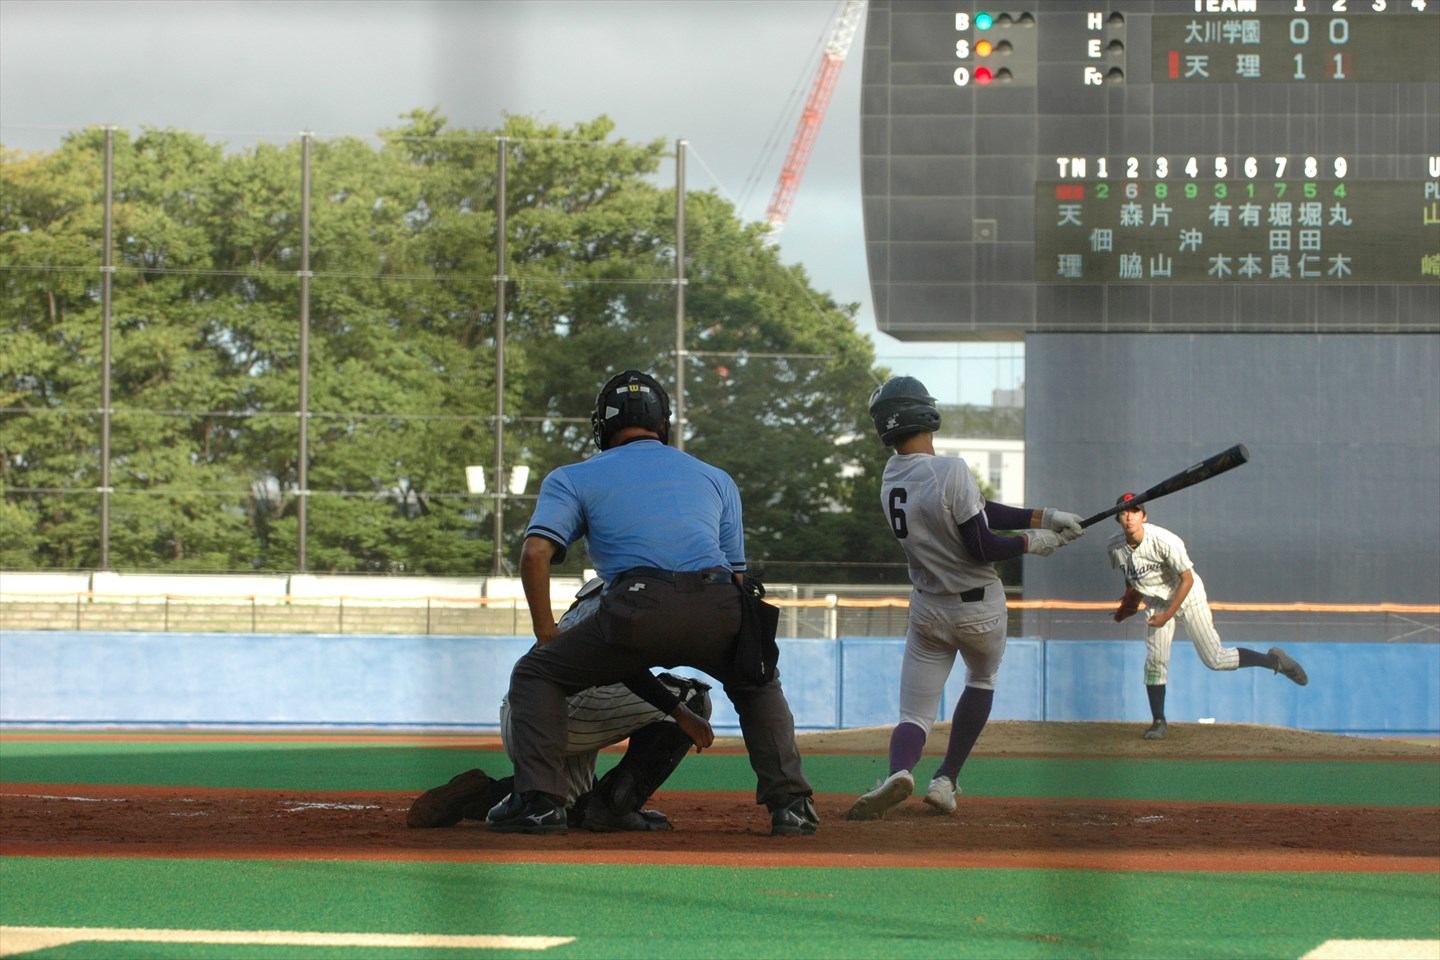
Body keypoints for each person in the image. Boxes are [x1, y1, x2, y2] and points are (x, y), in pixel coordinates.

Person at [485, 369, 817, 836]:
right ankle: (793, 806)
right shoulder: (716, 478)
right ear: (664, 424)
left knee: (536, 673)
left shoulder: (572, 477)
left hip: (639, 605)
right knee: (758, 685)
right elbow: (739, 577)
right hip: (720, 601)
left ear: (602, 427)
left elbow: (535, 553)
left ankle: (540, 803)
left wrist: (546, 632)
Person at [846, 376, 1086, 821]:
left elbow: (975, 508)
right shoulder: (951, 469)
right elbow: (982, 544)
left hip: (928, 610)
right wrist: (1033, 542)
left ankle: (899, 771)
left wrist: (1044, 516)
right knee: (981, 680)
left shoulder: (892, 476)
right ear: (925, 413)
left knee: (914, 714)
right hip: (979, 609)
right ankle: (945, 780)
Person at [1108, 493, 1308, 740]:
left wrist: (1168, 615)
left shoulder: (1164, 540)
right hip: (1157, 602)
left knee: (1215, 659)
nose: (1129, 517)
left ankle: (1273, 660)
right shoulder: (1114, 546)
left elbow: (1187, 579)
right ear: (1118, 518)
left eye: (1134, 511)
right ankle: (1158, 721)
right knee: (1154, 661)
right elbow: (1131, 576)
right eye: (1124, 512)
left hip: (1187, 596)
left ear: (1144, 516)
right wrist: (1131, 599)